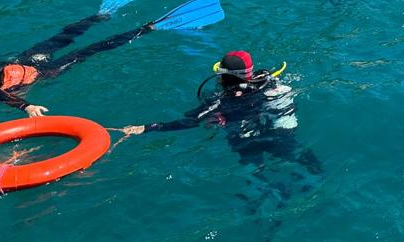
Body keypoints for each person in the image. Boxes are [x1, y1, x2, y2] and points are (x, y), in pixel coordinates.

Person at [0, 0, 222, 116]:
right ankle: (143, 27)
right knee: (87, 49)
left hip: (17, 63)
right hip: (39, 72)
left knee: (62, 39)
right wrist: (26, 107)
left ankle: (102, 17)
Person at [121, 51, 319, 172]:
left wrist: (147, 128)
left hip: (246, 137)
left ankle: (261, 182)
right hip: (280, 129)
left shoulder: (221, 101)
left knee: (253, 166)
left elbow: (190, 122)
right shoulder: (265, 79)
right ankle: (315, 170)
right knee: (295, 152)